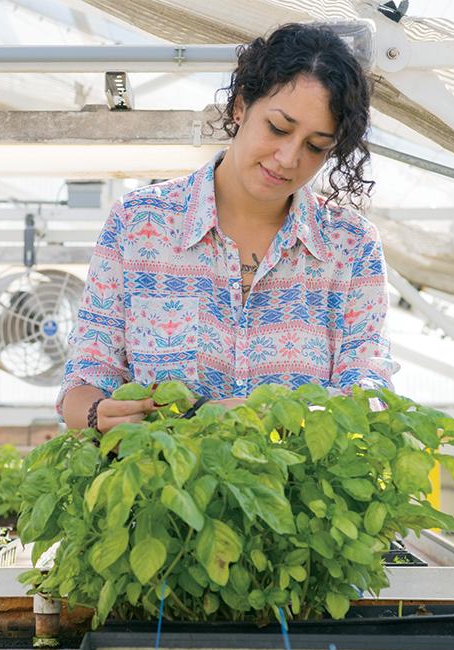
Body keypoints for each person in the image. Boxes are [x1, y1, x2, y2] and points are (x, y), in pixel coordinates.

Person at [58, 22, 398, 434]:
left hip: (294, 497)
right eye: (278, 128)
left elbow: (369, 394)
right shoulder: (139, 223)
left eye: (316, 146)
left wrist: (270, 417)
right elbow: (85, 377)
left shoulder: (350, 247)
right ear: (240, 106)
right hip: (162, 494)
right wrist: (98, 413)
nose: (289, 158)